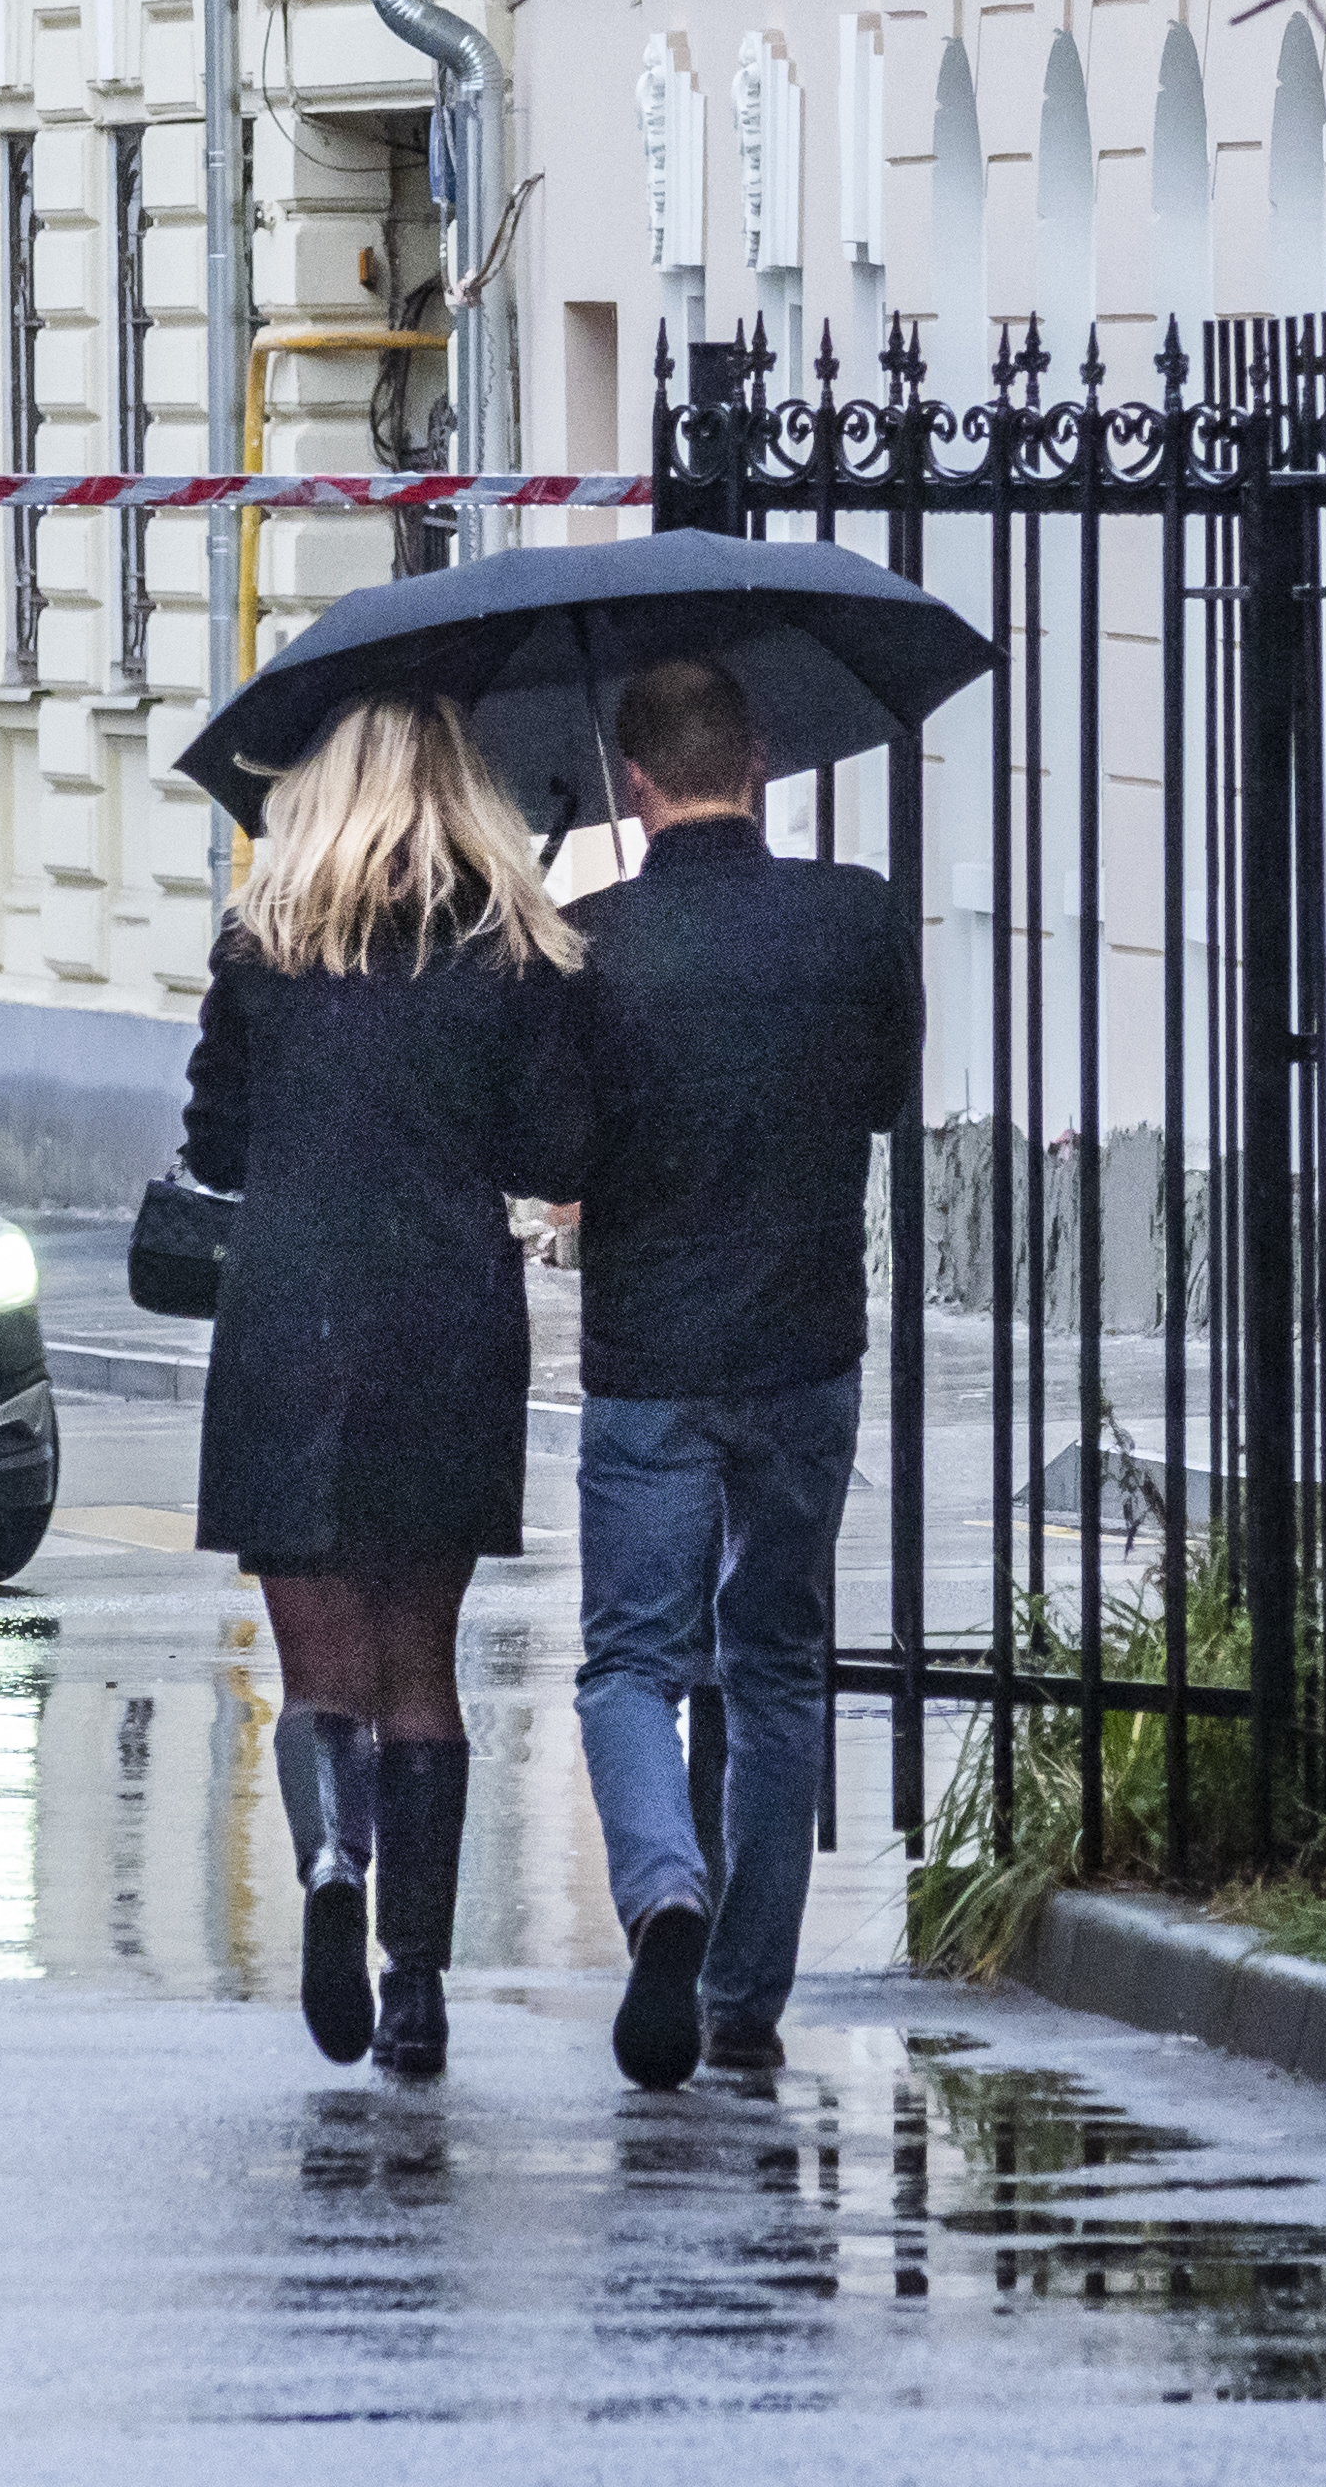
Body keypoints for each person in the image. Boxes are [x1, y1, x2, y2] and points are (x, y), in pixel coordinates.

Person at [185, 690, 592, 2078]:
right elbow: (547, 1146)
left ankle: (328, 1868)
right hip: (444, 1318)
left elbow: (217, 1144)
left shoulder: (262, 941)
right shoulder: (510, 947)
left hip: (287, 1314)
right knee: (424, 1665)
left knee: (322, 1672)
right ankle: (416, 1986)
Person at [566, 654, 922, 2090]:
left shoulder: (592, 938)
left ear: (629, 781)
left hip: (649, 1359)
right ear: (760, 760)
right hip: (802, 1347)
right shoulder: (853, 918)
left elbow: (552, 1146)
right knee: (774, 1671)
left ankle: (663, 1887)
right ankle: (742, 1997)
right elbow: (888, 1095)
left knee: (626, 1666)